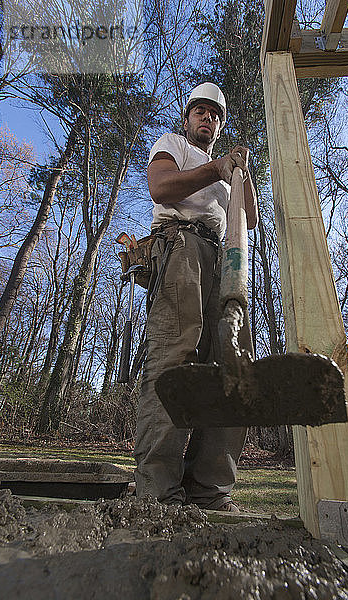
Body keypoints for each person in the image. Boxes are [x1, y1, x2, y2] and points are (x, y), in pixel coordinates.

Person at [133, 82, 258, 511]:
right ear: (187, 119)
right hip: (180, 247)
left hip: (223, 262)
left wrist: (243, 176)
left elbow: (251, 219)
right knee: (176, 356)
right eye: (200, 111)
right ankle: (159, 491)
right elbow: (162, 189)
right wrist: (215, 169)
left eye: (215, 115)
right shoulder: (174, 146)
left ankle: (209, 489)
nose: (207, 118)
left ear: (220, 126)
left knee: (228, 364)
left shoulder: (226, 173)